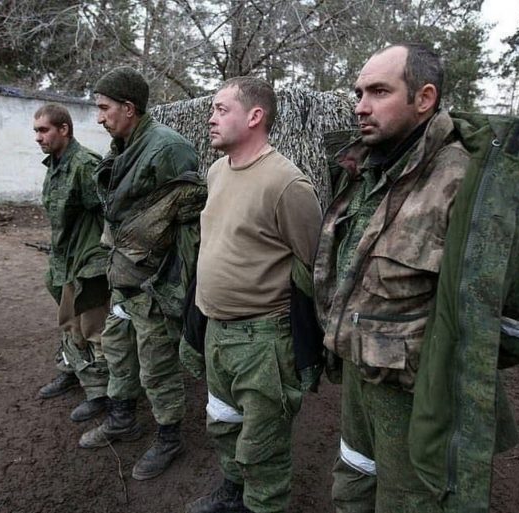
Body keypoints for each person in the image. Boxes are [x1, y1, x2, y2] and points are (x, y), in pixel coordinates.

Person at [312, 43, 519, 512]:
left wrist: (458, 357)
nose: (360, 105)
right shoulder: (364, 170)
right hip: (358, 386)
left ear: (424, 97)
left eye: (378, 91)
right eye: (358, 92)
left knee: (411, 502)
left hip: (421, 405)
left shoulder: (475, 186)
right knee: (352, 485)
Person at [185, 77, 323, 513]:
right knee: (223, 422)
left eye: (222, 109)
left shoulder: (287, 184)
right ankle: (234, 489)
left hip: (263, 340)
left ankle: (263, 503)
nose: (211, 117)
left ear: (255, 116)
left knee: (263, 444)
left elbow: (312, 264)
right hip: (215, 330)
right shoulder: (216, 171)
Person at [78, 66, 206, 482]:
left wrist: (174, 291)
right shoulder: (124, 145)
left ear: (128, 108)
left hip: (155, 283)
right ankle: (122, 418)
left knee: (157, 364)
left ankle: (169, 437)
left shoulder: (169, 149)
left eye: (104, 108)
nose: (99, 117)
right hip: (125, 277)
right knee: (117, 348)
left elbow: (190, 229)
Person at [33, 103, 111, 422]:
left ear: (63, 129)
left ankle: (101, 393)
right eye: (35, 131)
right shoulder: (56, 164)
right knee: (67, 322)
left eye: (43, 130)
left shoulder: (84, 165)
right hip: (64, 258)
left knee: (93, 328)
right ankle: (72, 371)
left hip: (88, 260)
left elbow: (110, 213)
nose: (38, 137)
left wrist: (100, 257)